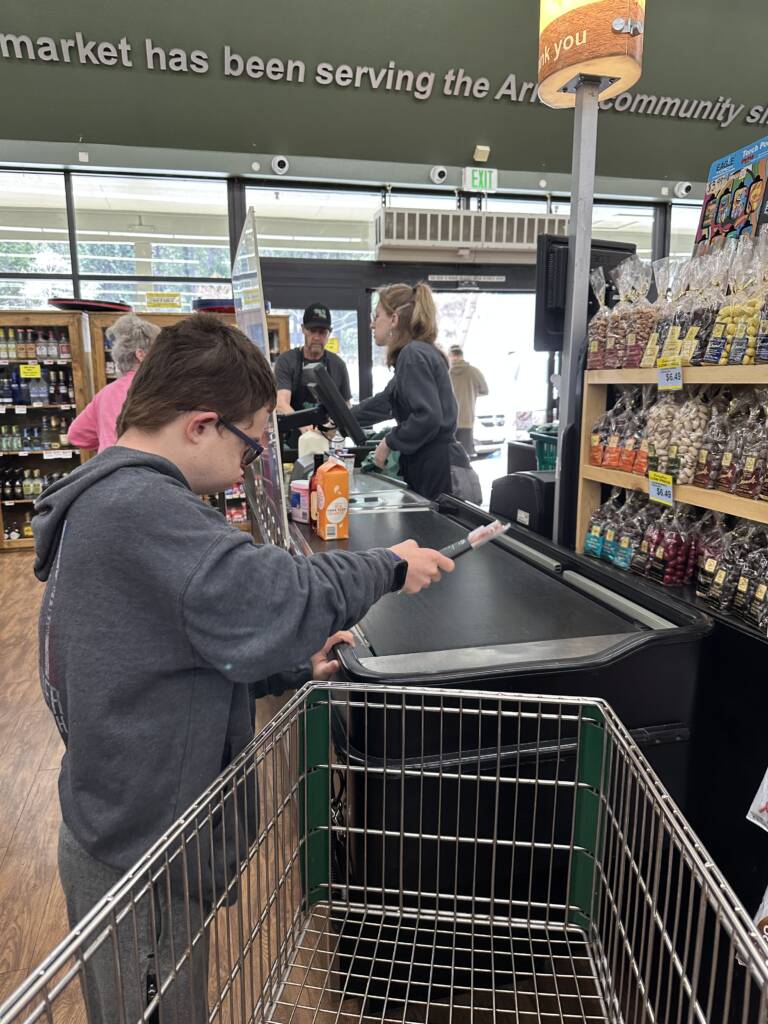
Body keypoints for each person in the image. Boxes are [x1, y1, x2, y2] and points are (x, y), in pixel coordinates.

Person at [33, 314, 453, 1023]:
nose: (251, 462)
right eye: (251, 442)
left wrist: (290, 666)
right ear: (200, 424)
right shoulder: (140, 507)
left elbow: (174, 648)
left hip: (129, 819)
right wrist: (388, 564)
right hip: (139, 849)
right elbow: (269, 591)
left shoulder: (111, 498)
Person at [353, 282, 479, 502]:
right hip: (433, 466)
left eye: (377, 316)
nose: (372, 325)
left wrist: (388, 443)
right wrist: (340, 417)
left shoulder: (412, 354)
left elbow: (428, 417)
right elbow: (387, 401)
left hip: (437, 469)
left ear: (394, 319)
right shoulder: (417, 353)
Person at [67, 314, 160, 453]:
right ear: (141, 355)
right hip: (149, 470)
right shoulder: (158, 389)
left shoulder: (105, 393)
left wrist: (106, 440)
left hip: (110, 469)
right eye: (158, 352)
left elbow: (77, 436)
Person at [273, 303, 351, 449]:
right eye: (312, 331)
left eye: (322, 332)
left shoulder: (337, 365)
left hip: (327, 442)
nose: (316, 337)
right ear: (303, 329)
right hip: (293, 443)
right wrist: (306, 427)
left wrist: (332, 425)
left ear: (329, 333)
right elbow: (281, 403)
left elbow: (346, 405)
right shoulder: (287, 361)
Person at [448, 345, 489, 457]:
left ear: (450, 356)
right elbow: (485, 390)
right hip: (467, 419)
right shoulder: (473, 371)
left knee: (450, 456)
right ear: (462, 355)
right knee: (466, 457)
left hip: (449, 420)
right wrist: (471, 393)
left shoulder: (446, 372)